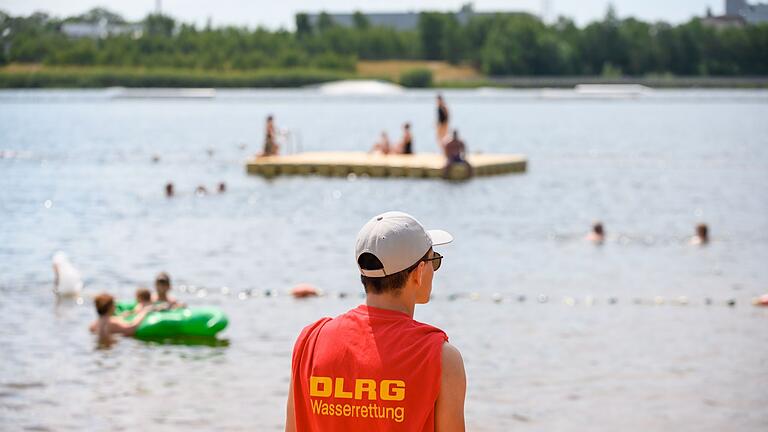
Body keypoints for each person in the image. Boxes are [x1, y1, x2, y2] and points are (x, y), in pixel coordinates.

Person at [286, 211, 466, 431]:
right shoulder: (441, 357)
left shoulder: (310, 341)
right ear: (418, 272)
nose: (434, 269)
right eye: (433, 260)